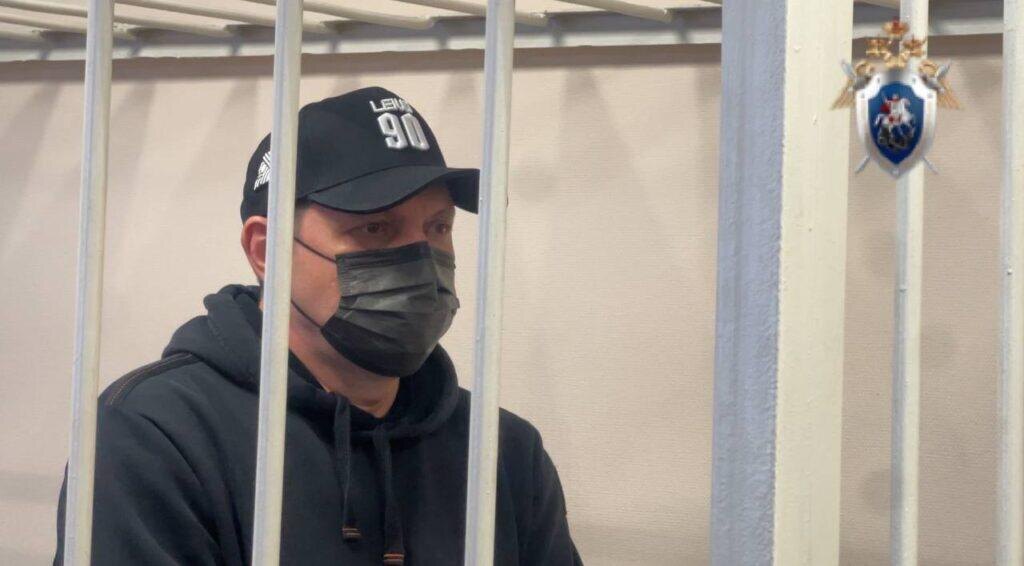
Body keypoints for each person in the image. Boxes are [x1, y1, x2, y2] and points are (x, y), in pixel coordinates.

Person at [52, 86, 582, 565]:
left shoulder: (502, 451)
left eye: (438, 226)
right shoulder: (153, 437)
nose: (420, 258)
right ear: (267, 251)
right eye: (375, 228)